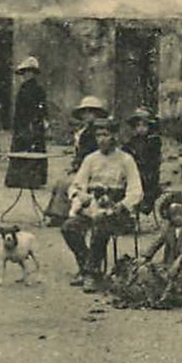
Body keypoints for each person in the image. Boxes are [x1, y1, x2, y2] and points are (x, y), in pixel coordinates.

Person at [61, 118, 143, 291]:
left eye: (105, 135)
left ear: (115, 136)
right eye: (98, 135)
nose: (101, 139)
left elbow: (136, 191)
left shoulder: (126, 160)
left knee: (101, 224)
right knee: (69, 227)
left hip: (117, 212)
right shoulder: (90, 159)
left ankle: (90, 273)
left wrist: (121, 205)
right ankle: (89, 267)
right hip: (93, 207)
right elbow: (77, 184)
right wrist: (81, 195)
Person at [44, 96, 108, 226]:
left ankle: (61, 216)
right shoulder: (84, 131)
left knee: (66, 183)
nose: (87, 115)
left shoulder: (97, 132)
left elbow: (92, 155)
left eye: (91, 112)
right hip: (84, 166)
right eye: (85, 112)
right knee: (60, 182)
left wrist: (79, 166)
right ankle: (56, 213)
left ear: (97, 114)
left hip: (95, 170)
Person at [5, 56, 48, 189]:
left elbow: (42, 108)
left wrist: (37, 121)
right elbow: (19, 109)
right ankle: (17, 179)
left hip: (33, 124)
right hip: (22, 123)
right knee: (20, 148)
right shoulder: (22, 88)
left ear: (34, 73)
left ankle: (33, 179)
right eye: (24, 72)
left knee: (33, 148)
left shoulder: (38, 90)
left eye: (29, 72)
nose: (26, 75)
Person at [123, 107, 164, 216]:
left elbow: (153, 161)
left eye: (144, 125)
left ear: (150, 127)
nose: (141, 129)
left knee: (145, 185)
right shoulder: (132, 142)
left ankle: (144, 202)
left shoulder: (154, 141)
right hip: (133, 172)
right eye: (138, 125)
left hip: (148, 174)